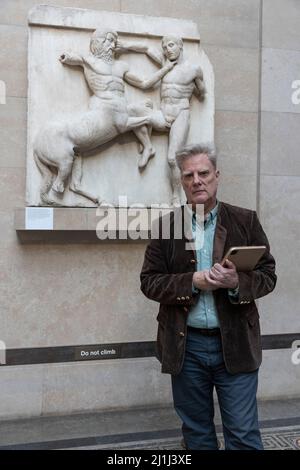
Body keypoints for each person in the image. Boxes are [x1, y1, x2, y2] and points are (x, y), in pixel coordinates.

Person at [140, 143, 277, 450]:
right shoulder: (166, 227)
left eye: (203, 173)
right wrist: (193, 281)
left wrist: (235, 282)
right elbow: (149, 282)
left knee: (242, 434)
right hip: (186, 346)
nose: (196, 180)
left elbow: (268, 276)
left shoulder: (245, 221)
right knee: (197, 434)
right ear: (182, 182)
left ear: (217, 175)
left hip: (236, 343)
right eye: (188, 175)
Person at [34, 29, 174, 205]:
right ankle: (59, 185)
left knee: (142, 106)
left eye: (113, 41)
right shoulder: (89, 60)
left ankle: (147, 147)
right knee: (140, 115)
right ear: (98, 43)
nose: (112, 44)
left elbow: (144, 82)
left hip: (118, 107)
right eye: (108, 40)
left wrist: (166, 68)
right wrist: (66, 56)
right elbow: (73, 57)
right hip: (104, 107)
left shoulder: (121, 67)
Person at [117, 35, 206, 203]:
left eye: (171, 45)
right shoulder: (165, 64)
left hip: (180, 113)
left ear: (180, 46)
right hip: (163, 112)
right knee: (134, 113)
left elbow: (202, 92)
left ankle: (176, 196)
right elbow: (145, 48)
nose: (168, 49)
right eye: (165, 47)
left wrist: (193, 88)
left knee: (173, 158)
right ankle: (147, 147)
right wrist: (125, 46)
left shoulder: (194, 69)